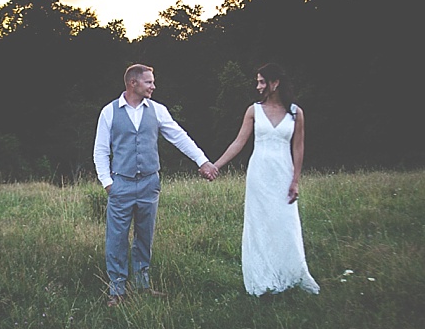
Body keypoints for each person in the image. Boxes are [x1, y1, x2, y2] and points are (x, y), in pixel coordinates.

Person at [94, 64, 218, 307]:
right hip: (121, 184)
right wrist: (108, 183)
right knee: (116, 238)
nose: (153, 86)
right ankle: (117, 290)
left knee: (145, 236)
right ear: (133, 83)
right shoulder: (109, 112)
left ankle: (142, 285)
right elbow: (100, 150)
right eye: (149, 82)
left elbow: (179, 136)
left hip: (150, 183)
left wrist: (202, 161)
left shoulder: (158, 110)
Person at [214, 63, 319, 296]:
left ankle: (290, 274)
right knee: (259, 224)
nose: (258, 86)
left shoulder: (296, 113)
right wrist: (216, 165)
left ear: (275, 83)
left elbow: (298, 149)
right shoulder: (253, 110)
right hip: (259, 173)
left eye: (262, 81)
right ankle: (263, 278)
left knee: (285, 223)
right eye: (258, 81)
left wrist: (295, 181)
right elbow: (238, 143)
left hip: (283, 172)